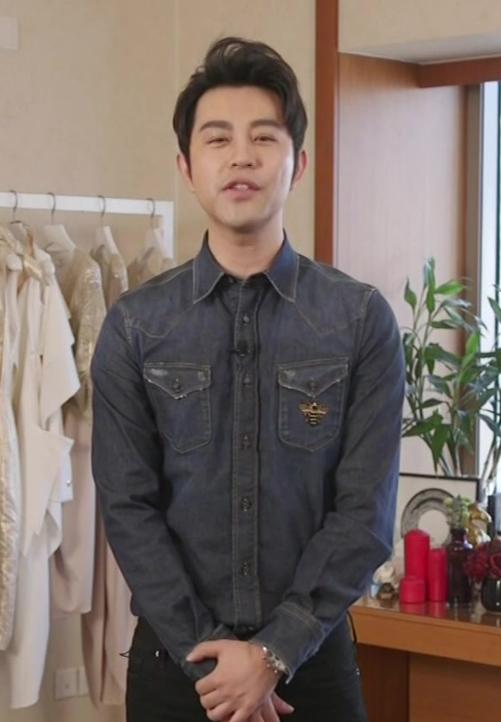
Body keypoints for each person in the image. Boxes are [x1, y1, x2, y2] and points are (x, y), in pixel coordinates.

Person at [91, 37, 405, 722]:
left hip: (313, 669)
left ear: (298, 164)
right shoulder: (135, 327)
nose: (241, 157)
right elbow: (128, 508)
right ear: (186, 165)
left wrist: (271, 653)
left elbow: (365, 515)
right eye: (218, 139)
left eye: (264, 137)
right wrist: (215, 659)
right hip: (176, 671)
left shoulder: (360, 321)